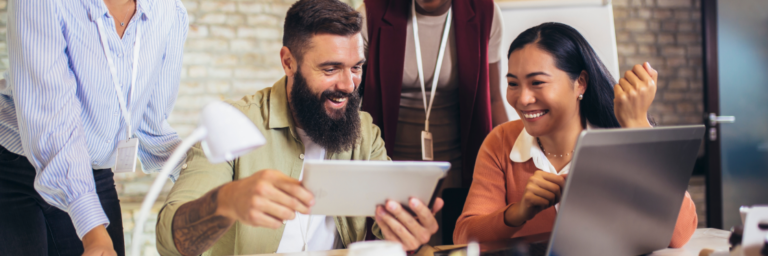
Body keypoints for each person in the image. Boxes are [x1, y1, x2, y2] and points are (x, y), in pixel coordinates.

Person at [155, 1, 442, 255]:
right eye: (330, 69)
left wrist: (408, 229)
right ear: (288, 62)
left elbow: (388, 223)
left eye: (356, 67)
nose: (348, 85)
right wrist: (227, 201)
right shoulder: (235, 123)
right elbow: (171, 241)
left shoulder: (365, 132)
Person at [453, 22, 698, 247]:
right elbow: (464, 236)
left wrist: (637, 126)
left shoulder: (622, 139)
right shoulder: (501, 142)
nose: (523, 99)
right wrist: (518, 212)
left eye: (537, 82)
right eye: (513, 84)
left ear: (580, 82)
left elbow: (678, 234)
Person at [0, 0, 188, 255]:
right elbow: (52, 125)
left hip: (93, 173)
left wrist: (205, 173)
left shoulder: (168, 11)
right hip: (14, 171)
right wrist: (92, 231)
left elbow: (148, 124)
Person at [359, 0, 507, 193]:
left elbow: (494, 98)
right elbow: (350, 99)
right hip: (386, 163)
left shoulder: (485, 12)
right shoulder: (372, 12)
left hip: (458, 164)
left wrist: (515, 156)